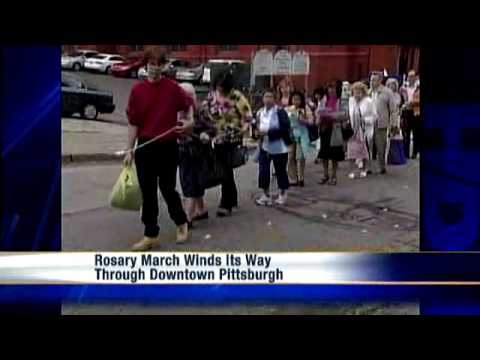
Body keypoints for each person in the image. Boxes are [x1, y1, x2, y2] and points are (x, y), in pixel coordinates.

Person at [124, 46, 194, 251]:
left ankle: (182, 222)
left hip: (168, 147)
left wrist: (189, 123)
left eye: (158, 64)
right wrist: (129, 149)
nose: (154, 68)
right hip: (145, 148)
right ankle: (150, 234)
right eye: (151, 64)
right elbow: (133, 123)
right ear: (146, 65)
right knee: (148, 192)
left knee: (167, 189)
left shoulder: (172, 88)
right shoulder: (137, 90)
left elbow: (189, 106)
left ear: (164, 66)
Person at [208, 71, 253, 217]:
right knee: (224, 171)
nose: (220, 89)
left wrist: (242, 130)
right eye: (218, 86)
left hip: (232, 138)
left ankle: (225, 203)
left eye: (222, 86)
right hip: (216, 137)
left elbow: (247, 116)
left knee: (225, 170)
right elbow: (206, 112)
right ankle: (232, 200)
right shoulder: (212, 96)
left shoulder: (236, 96)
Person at [178, 83, 216, 229]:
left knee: (192, 183)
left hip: (198, 151)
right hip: (182, 151)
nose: (187, 98)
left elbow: (212, 128)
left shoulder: (200, 111)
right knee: (188, 181)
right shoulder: (176, 109)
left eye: (190, 95)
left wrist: (207, 134)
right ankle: (202, 210)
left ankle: (187, 218)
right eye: (184, 95)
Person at [255, 89, 292, 206]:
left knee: (280, 171)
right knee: (263, 171)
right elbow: (256, 126)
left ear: (275, 99)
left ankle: (283, 193)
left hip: (279, 147)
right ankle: (265, 194)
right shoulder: (260, 112)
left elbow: (285, 128)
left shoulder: (280, 112)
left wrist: (267, 132)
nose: (268, 99)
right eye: (266, 96)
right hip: (264, 147)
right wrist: (256, 134)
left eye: (270, 96)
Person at [316, 82, 345, 185]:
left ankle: (334, 176)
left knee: (334, 155)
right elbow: (318, 112)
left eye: (333, 88)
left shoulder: (340, 101)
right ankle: (325, 175)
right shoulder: (324, 100)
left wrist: (330, 114)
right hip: (324, 129)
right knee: (324, 154)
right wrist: (320, 115)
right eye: (329, 88)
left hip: (334, 129)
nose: (331, 90)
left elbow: (343, 115)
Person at [370, 71, 399, 174]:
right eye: (371, 80)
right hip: (369, 123)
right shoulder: (369, 92)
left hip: (381, 123)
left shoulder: (387, 92)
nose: (372, 82)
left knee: (380, 145)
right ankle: (368, 166)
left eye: (374, 80)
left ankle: (381, 166)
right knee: (368, 145)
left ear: (380, 80)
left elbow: (393, 109)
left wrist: (394, 124)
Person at [347, 82, 376, 179]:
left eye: (359, 92)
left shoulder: (368, 101)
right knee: (351, 151)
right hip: (353, 129)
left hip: (364, 129)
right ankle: (352, 171)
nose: (357, 94)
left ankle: (364, 169)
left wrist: (365, 120)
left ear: (363, 92)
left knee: (363, 151)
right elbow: (349, 114)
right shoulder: (351, 101)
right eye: (355, 92)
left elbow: (374, 116)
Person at [286, 91, 313, 187]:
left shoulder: (305, 109)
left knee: (300, 157)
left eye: (298, 99)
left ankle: (301, 178)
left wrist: (303, 120)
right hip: (290, 135)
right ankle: (293, 178)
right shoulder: (288, 110)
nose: (296, 101)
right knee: (290, 157)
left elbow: (311, 121)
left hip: (302, 135)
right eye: (294, 99)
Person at [399, 70, 418, 158]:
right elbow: (400, 99)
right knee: (406, 133)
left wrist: (412, 103)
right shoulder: (403, 88)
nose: (411, 78)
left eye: (412, 76)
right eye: (409, 76)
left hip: (416, 113)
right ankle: (406, 152)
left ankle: (414, 153)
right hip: (406, 112)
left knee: (416, 133)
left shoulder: (418, 88)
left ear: (416, 78)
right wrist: (402, 105)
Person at [311, 87, 327, 164]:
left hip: (323, 123)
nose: (316, 96)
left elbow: (322, 111)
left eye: (317, 94)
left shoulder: (324, 100)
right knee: (320, 140)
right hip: (319, 123)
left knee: (322, 140)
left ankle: (321, 156)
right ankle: (320, 156)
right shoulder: (319, 101)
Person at [411, 84, 421, 158]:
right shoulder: (416, 90)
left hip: (417, 114)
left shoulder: (416, 90)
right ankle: (415, 152)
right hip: (416, 114)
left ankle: (415, 152)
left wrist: (414, 102)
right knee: (416, 134)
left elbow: (414, 101)